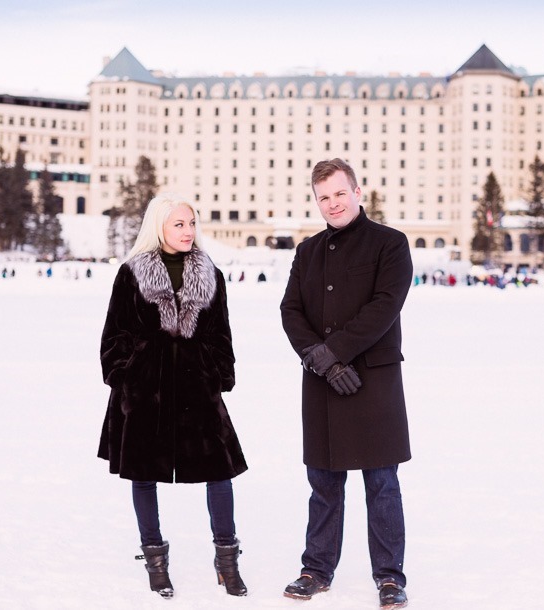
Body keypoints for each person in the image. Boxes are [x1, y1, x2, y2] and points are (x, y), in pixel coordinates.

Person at [98, 193, 249, 600]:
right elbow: (114, 334)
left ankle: (227, 562)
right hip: (146, 391)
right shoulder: (132, 273)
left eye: (191, 224)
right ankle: (155, 562)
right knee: (144, 475)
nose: (187, 231)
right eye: (178, 224)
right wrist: (127, 375)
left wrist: (217, 374)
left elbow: (222, 333)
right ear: (159, 227)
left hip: (198, 386)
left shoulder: (209, 271)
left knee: (219, 473)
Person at [280, 158, 413, 609]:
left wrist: (333, 352)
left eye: (339, 193)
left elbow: (385, 305)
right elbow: (291, 311)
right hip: (322, 384)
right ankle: (316, 569)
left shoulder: (390, 245)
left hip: (371, 382)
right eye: (323, 197)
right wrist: (322, 362)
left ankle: (390, 577)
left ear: (358, 191)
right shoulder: (307, 251)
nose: (332, 203)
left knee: (382, 484)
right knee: (323, 483)